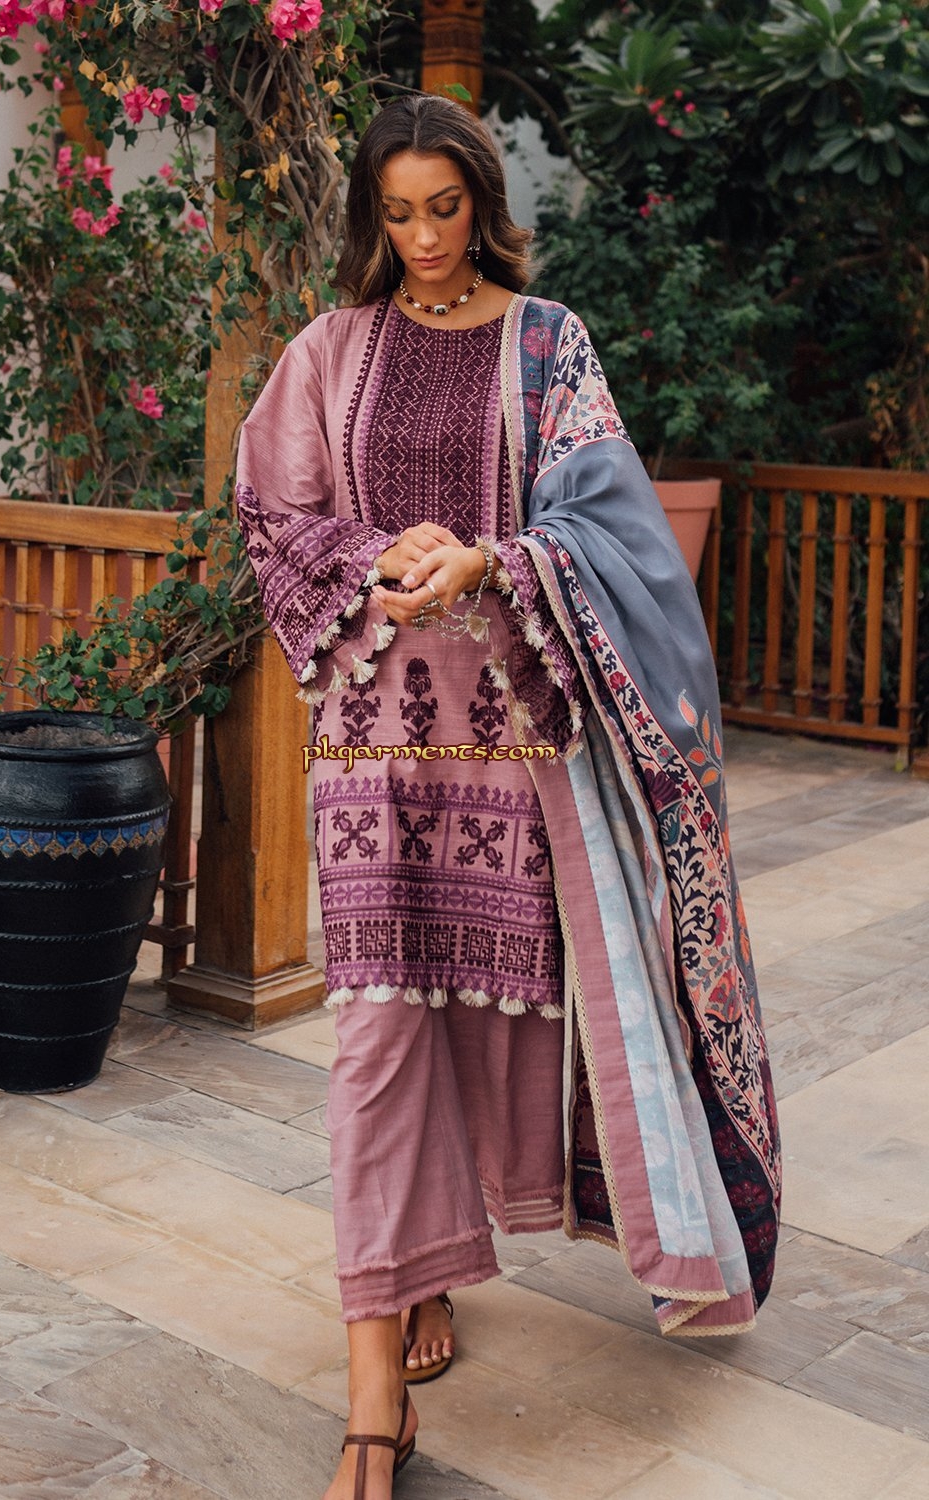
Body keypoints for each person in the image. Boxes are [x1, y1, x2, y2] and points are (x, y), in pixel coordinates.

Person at [236, 93, 781, 1500]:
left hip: (508, 748)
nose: (424, 238)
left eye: (446, 208)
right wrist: (373, 559)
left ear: (482, 202)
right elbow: (272, 513)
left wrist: (491, 561)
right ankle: (373, 1389)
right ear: (374, 218)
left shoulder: (549, 345)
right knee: (375, 1032)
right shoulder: (329, 349)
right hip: (371, 744)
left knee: (479, 1025)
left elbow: (613, 528)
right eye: (398, 213)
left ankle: (429, 1267)